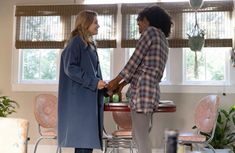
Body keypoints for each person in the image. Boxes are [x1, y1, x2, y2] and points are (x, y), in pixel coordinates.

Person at [107, 5, 173, 153]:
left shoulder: (150, 32)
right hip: (151, 91)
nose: (139, 29)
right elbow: (143, 67)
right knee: (138, 135)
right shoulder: (163, 39)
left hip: (142, 91)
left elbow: (134, 61)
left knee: (141, 137)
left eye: (139, 24)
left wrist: (115, 82)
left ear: (147, 20)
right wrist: (123, 83)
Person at [58, 10, 106, 153]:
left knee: (86, 143)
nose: (98, 26)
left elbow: (94, 71)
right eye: (95, 22)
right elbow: (70, 69)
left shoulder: (89, 44)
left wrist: (103, 86)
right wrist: (94, 82)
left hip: (87, 101)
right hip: (80, 103)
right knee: (84, 142)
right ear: (86, 23)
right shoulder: (76, 42)